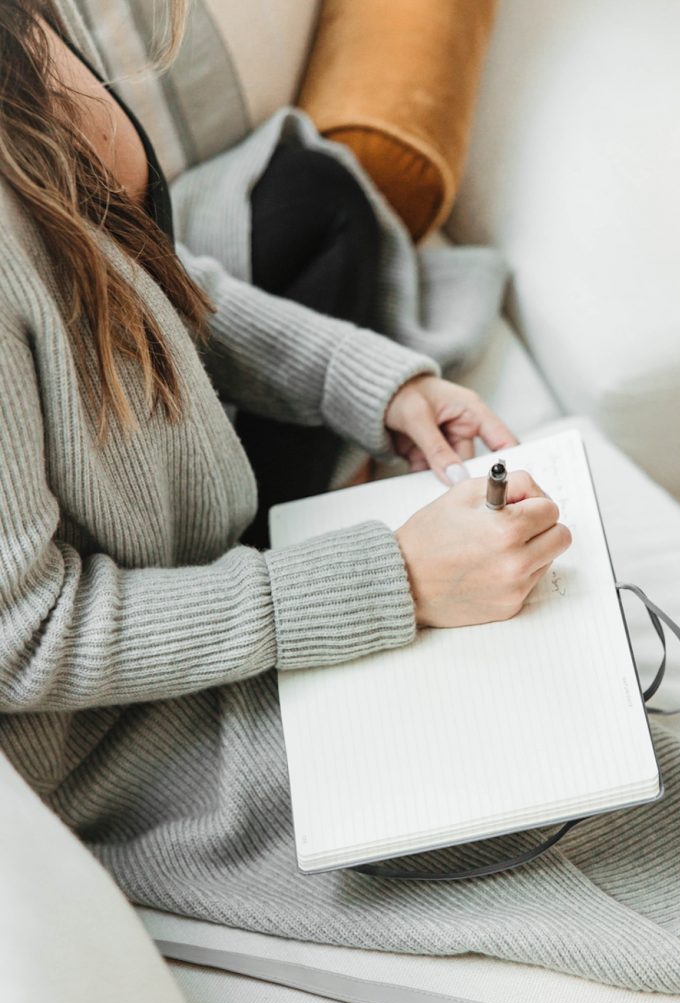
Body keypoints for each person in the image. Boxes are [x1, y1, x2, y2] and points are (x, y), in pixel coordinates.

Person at [0, 0, 571, 942]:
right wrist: (389, 580)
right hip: (97, 733)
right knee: (551, 812)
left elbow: (139, 280)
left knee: (318, 198)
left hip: (191, 556)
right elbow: (26, 637)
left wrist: (369, 384)